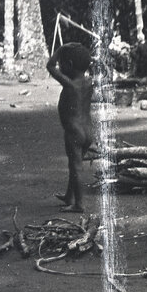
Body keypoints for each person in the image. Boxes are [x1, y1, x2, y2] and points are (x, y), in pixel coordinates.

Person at [47, 43, 95, 213]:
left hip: (74, 132)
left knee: (75, 167)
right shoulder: (89, 82)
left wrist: (60, 49)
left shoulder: (70, 84)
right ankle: (69, 196)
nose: (60, 66)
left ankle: (79, 204)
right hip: (88, 131)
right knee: (74, 165)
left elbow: (49, 66)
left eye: (63, 63)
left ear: (70, 64)